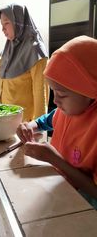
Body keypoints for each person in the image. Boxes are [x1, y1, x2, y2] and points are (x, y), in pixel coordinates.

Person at [16, 35, 97, 209]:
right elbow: (47, 120)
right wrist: (29, 126)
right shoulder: (66, 110)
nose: (56, 101)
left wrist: (54, 159)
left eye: (61, 94)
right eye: (54, 92)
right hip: (62, 191)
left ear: (90, 91)